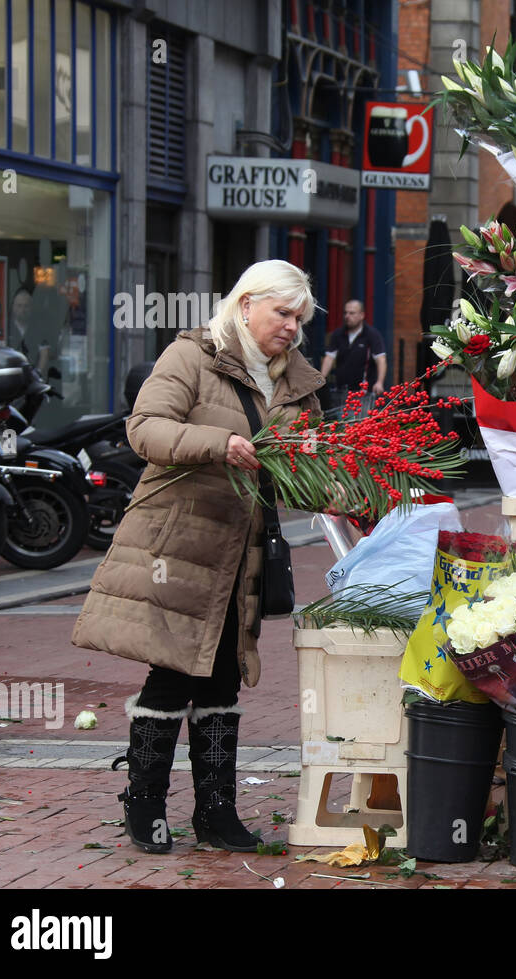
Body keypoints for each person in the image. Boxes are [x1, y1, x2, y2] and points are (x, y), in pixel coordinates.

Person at [71, 259, 324, 854]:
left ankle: (216, 812)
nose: (291, 327)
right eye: (281, 313)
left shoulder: (297, 383)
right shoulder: (192, 356)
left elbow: (306, 470)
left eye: (299, 318)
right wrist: (220, 444)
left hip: (244, 555)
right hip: (179, 545)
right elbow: (145, 429)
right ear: (245, 305)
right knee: (173, 671)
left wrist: (348, 489)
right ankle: (145, 802)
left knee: (224, 679)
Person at [320, 299, 386, 409]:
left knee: (361, 422)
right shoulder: (338, 334)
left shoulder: (371, 335)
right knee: (342, 422)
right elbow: (329, 358)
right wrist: (321, 379)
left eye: (352, 313)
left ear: (362, 315)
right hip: (341, 390)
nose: (347, 316)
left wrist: (379, 382)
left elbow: (381, 359)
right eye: (345, 313)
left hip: (363, 392)